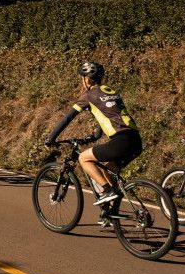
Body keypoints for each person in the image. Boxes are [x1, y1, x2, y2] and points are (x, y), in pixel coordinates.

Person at [45, 61, 142, 213]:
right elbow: (109, 117)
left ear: (87, 79)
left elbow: (67, 118)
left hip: (120, 141)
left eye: (82, 78)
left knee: (83, 158)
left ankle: (106, 191)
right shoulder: (111, 92)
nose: (82, 81)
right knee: (109, 168)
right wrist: (93, 137)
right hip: (136, 140)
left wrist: (50, 138)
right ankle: (110, 213)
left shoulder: (88, 96)